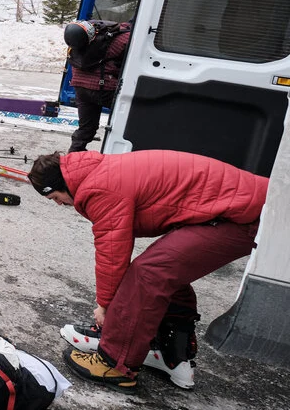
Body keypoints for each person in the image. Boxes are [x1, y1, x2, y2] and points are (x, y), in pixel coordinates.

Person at [28, 150, 267, 393]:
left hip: (245, 215)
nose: (59, 204)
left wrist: (105, 306)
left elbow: (112, 253)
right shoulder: (98, 172)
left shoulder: (98, 188)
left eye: (56, 197)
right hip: (238, 207)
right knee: (165, 267)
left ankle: (115, 364)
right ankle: (171, 350)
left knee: (149, 273)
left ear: (62, 184)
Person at [66, 20, 132, 152]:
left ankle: (72, 159)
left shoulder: (78, 38)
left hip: (80, 88)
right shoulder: (123, 37)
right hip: (105, 89)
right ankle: (119, 155)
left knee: (85, 129)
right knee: (127, 120)